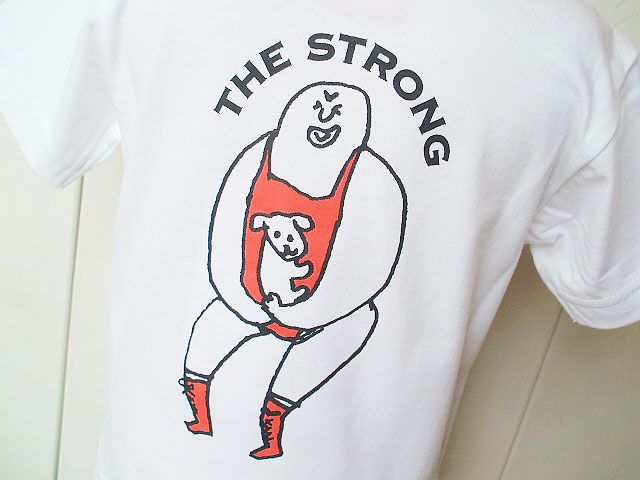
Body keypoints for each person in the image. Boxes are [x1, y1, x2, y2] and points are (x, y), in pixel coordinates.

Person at [1, 0, 638, 478]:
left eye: (339, 110)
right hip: (155, 446)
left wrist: (315, 308)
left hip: (338, 352)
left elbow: (377, 262)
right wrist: (244, 293)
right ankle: (199, 395)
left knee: (351, 329)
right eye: (319, 106)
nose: (327, 116)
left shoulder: (566, 57)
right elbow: (225, 229)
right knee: (215, 328)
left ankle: (274, 416)